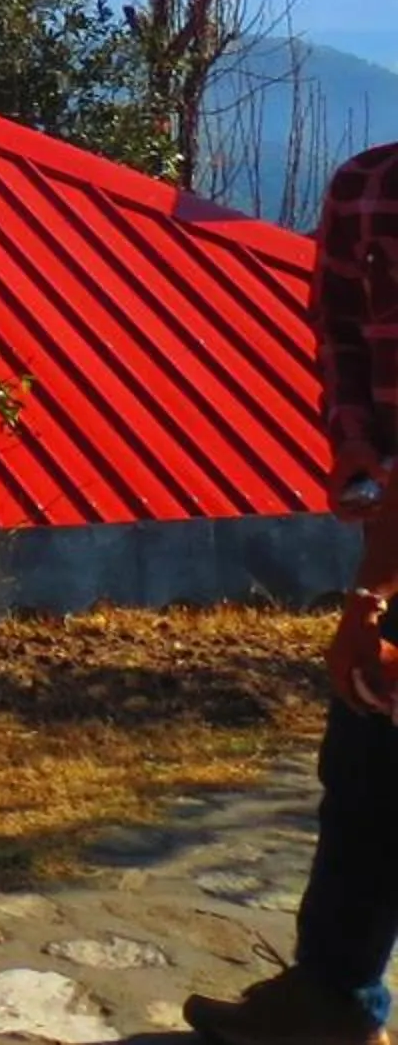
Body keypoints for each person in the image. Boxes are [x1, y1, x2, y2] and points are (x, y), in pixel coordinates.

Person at [185, 141, 398, 1045]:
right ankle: (332, 999)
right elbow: (341, 336)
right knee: (365, 769)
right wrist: (354, 443)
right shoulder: (366, 187)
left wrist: (372, 599)